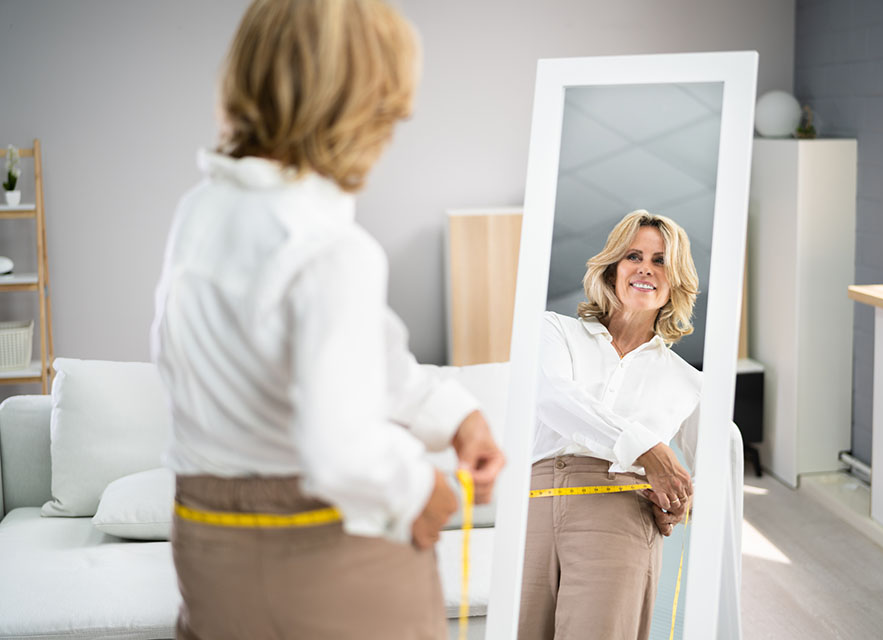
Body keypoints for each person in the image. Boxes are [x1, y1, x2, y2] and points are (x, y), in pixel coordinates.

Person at [150, 1, 504, 638]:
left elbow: (350, 351)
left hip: (206, 544)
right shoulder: (332, 250)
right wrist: (419, 492)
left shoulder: (200, 215)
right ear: (362, 109)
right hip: (328, 551)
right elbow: (339, 451)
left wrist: (455, 414)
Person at [518, 210, 701, 640]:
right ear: (612, 268)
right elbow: (552, 399)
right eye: (633, 255)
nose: (645, 269)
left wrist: (682, 504)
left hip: (620, 513)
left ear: (676, 279)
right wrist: (647, 449)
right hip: (532, 504)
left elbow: (701, 476)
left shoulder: (688, 382)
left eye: (660, 261)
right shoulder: (555, 331)